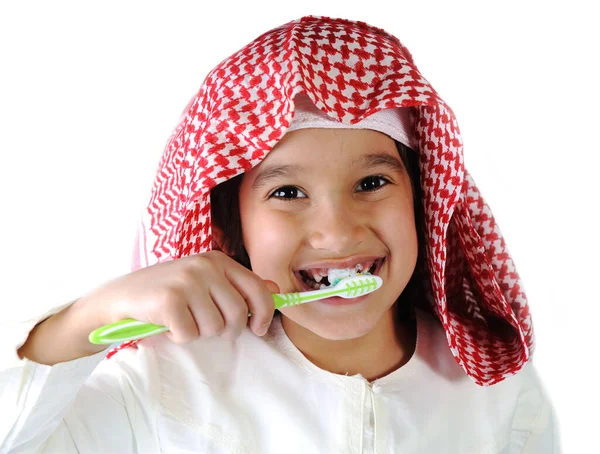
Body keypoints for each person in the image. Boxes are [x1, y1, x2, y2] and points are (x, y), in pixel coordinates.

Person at [0, 15, 559, 453]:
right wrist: (90, 315)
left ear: (421, 200)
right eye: (287, 193)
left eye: (371, 181)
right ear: (231, 224)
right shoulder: (167, 383)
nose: (337, 230)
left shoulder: (498, 394)